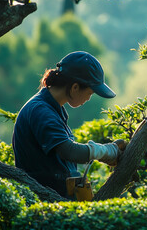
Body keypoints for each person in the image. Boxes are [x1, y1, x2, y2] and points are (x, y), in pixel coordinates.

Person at [12, 51, 125, 198]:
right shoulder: (41, 111)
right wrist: (106, 152)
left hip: (57, 198)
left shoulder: (53, 109)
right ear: (75, 87)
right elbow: (69, 151)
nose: (89, 98)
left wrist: (107, 153)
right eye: (90, 93)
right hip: (44, 204)